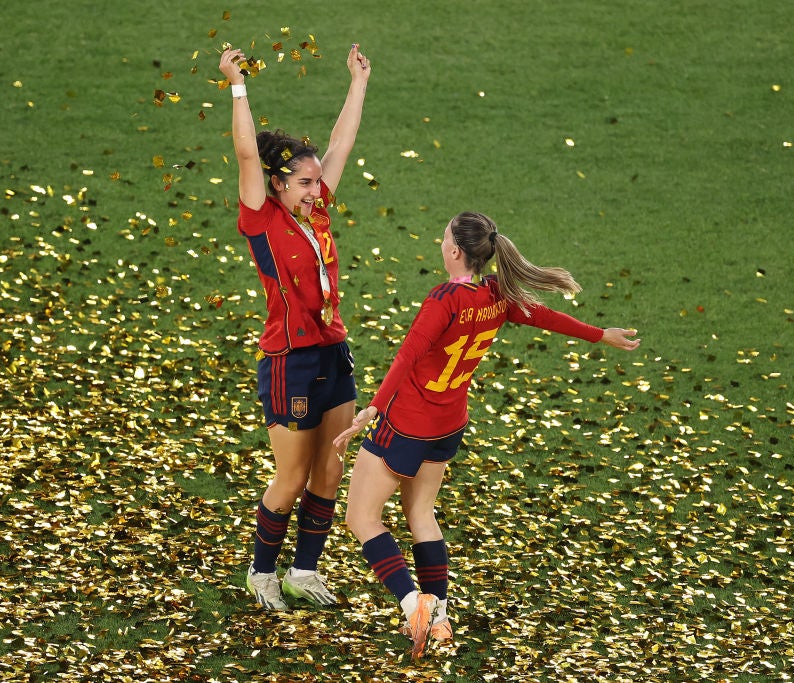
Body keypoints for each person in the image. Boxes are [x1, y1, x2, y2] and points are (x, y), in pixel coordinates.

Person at [333, 211, 641, 658]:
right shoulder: (496, 294)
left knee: (361, 518)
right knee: (421, 513)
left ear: (455, 251)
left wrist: (372, 409)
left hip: (408, 424)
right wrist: (599, 335)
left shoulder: (443, 300)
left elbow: (407, 356)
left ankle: (412, 604)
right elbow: (543, 316)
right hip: (449, 424)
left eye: (443, 238)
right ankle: (438, 619)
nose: (441, 243)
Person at [218, 43, 371, 611]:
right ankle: (261, 573)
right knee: (292, 476)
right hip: (289, 360)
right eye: (304, 183)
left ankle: (303, 572)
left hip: (332, 352)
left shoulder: (315, 209)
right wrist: (238, 86)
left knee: (329, 469)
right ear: (280, 184)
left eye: (316, 182)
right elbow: (245, 155)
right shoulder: (261, 216)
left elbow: (341, 145)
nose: (317, 189)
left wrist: (357, 83)